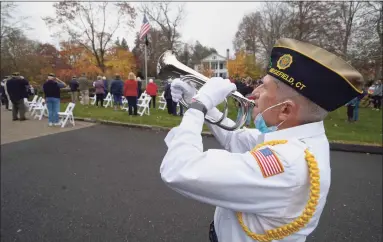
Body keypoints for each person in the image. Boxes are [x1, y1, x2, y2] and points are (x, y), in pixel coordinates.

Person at [161, 38, 364, 242]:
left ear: (285, 110)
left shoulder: (287, 162)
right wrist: (197, 97)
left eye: (264, 88)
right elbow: (235, 138)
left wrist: (199, 106)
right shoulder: (298, 136)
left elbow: (179, 169)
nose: (254, 93)